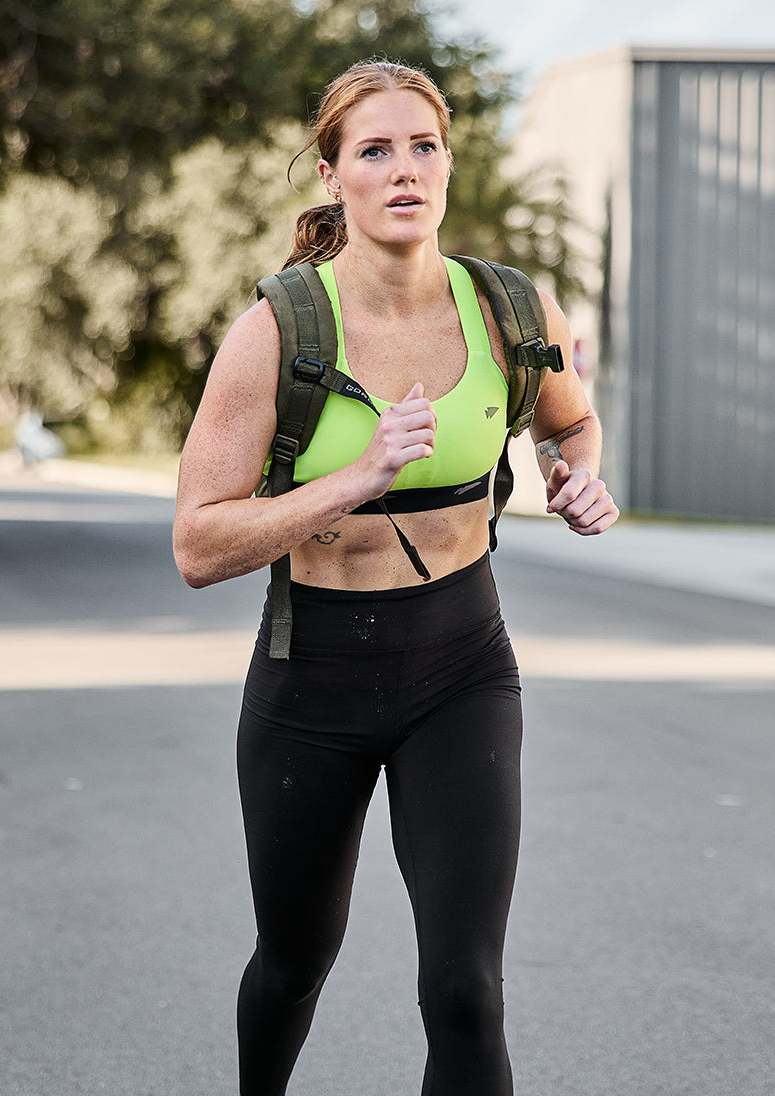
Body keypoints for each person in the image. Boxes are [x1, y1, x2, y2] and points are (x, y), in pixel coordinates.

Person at [173, 59, 619, 1096]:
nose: (404, 169)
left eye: (423, 146)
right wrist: (356, 478)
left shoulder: (512, 308)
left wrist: (577, 476)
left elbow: (574, 422)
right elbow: (198, 545)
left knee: (466, 990)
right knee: (292, 968)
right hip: (312, 683)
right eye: (374, 150)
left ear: (449, 162)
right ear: (332, 175)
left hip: (462, 668)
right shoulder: (275, 333)